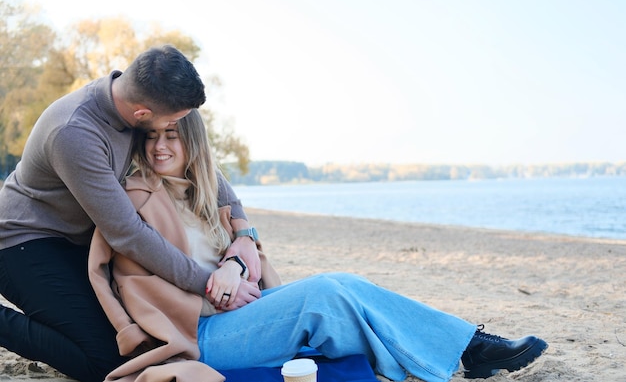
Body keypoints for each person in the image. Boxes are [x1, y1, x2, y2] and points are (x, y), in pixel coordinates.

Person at [90, 109, 548, 382]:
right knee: (325, 295)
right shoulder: (136, 198)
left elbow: (246, 252)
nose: (159, 147)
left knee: (342, 288)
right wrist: (219, 283)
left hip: (240, 317)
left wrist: (237, 259)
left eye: (171, 135)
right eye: (151, 137)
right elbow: (140, 282)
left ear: (192, 142)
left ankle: (466, 346)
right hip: (199, 336)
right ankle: (468, 347)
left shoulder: (205, 192)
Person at [0, 45, 261, 382]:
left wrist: (243, 233)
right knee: (108, 364)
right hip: (25, 244)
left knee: (134, 345)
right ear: (142, 115)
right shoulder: (75, 132)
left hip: (80, 240)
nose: (172, 130)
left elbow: (200, 164)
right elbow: (127, 233)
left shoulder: (135, 100)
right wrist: (208, 284)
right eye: (172, 122)